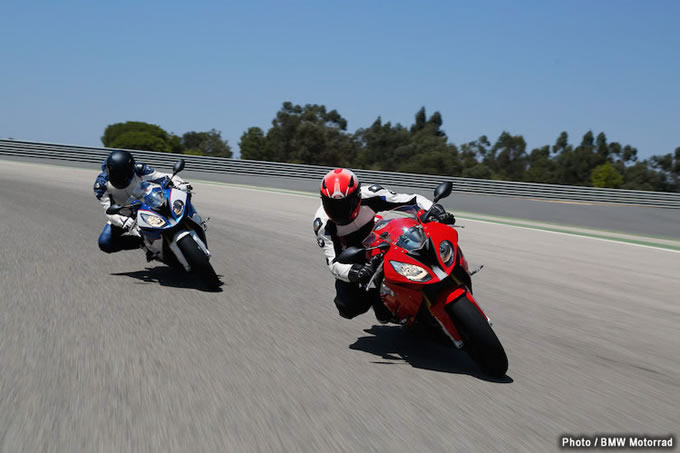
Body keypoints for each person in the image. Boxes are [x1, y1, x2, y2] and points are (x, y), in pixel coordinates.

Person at [313, 168, 456, 323]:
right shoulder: (322, 224)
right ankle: (379, 299)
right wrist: (355, 272)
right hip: (352, 254)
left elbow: (412, 200)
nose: (339, 211)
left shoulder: (372, 194)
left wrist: (434, 210)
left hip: (380, 236)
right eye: (333, 205)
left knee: (421, 241)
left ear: (358, 196)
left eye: (345, 204)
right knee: (347, 306)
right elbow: (334, 262)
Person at [94, 150, 188, 254]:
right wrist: (123, 221)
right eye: (116, 173)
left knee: (178, 199)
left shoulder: (139, 169)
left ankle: (191, 219)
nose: (120, 177)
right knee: (105, 242)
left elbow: (161, 176)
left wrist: (179, 183)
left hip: (149, 205)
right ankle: (141, 243)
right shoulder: (101, 185)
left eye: (124, 173)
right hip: (125, 216)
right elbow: (108, 210)